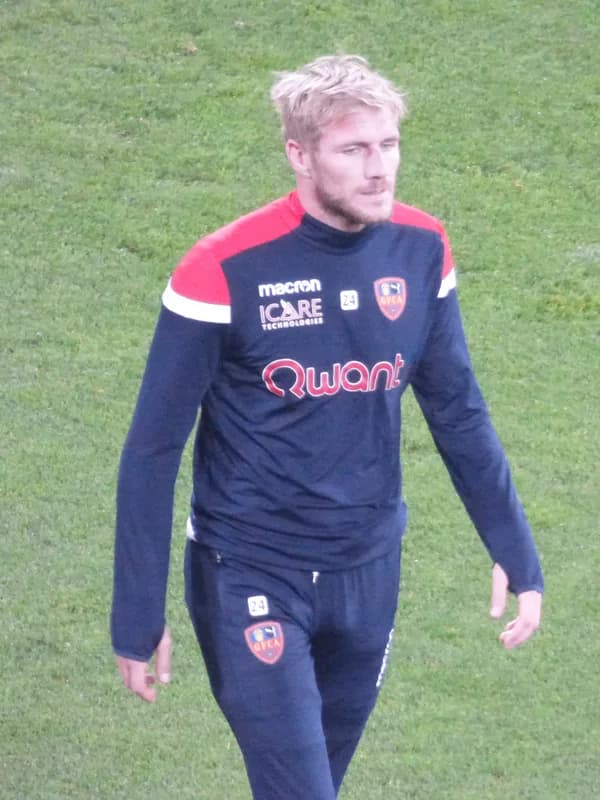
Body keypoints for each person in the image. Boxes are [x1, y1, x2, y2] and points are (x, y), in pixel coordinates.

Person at [112, 55, 543, 799]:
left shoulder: (421, 247)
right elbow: (153, 449)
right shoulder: (223, 268)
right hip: (250, 572)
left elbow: (457, 409)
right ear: (300, 155)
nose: (380, 168)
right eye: (354, 149)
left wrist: (515, 549)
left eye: (389, 145)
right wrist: (137, 612)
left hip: (370, 572)